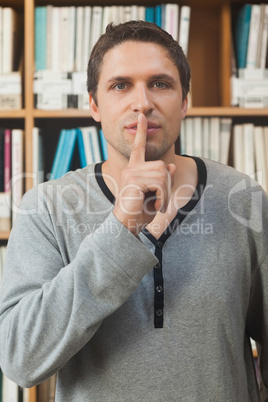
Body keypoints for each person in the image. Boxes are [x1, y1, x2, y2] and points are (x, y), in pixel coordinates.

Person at [0, 20, 268, 402]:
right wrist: (121, 228)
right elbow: (21, 359)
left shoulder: (244, 200)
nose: (142, 102)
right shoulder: (46, 208)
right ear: (94, 104)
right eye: (120, 85)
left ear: (185, 100)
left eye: (160, 84)